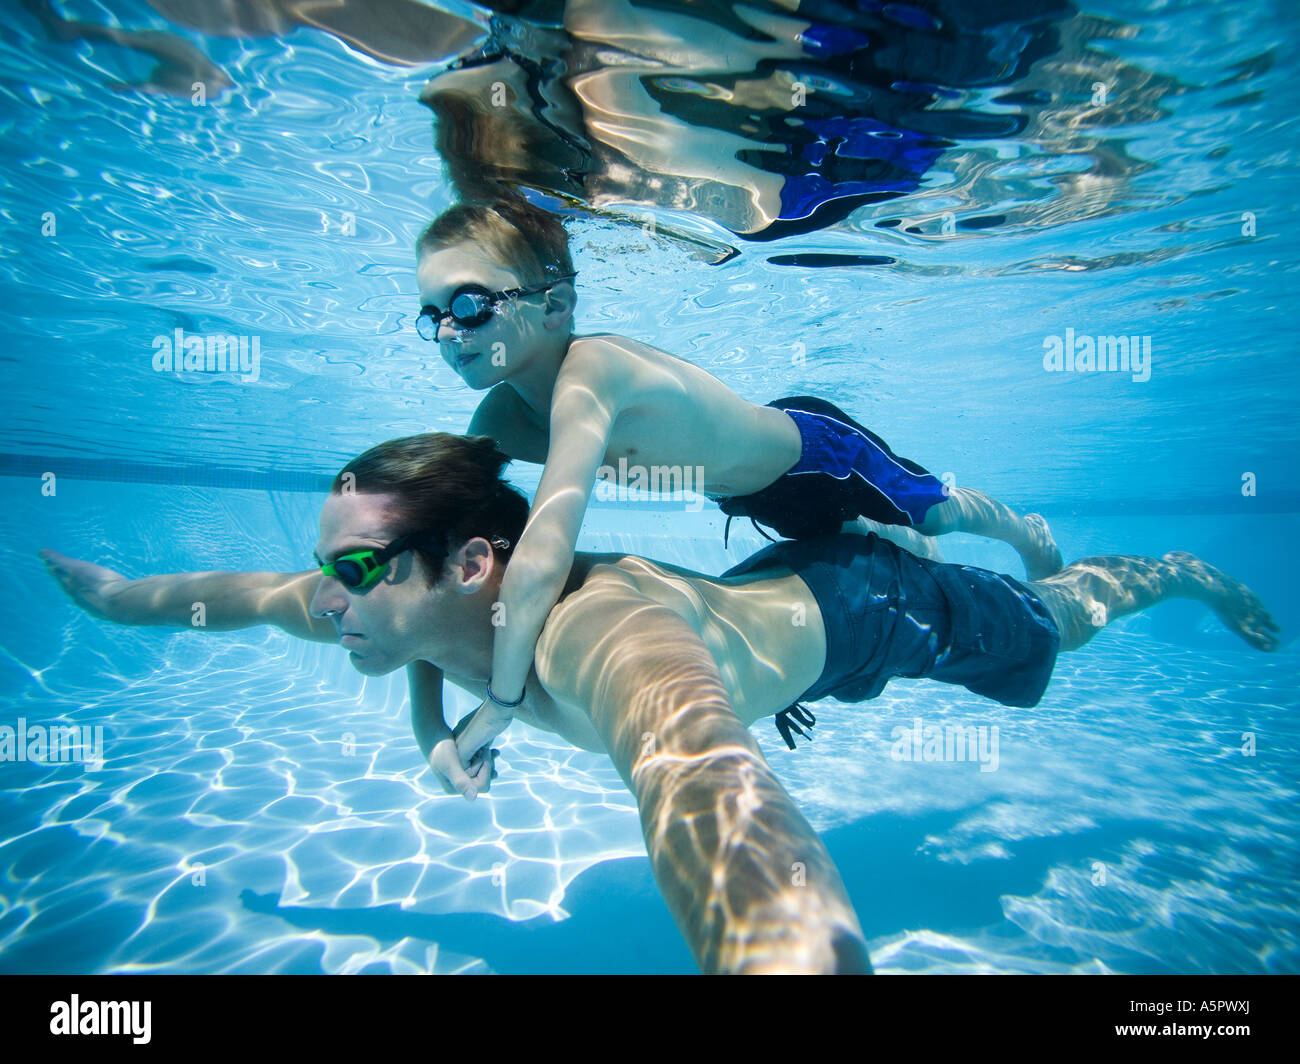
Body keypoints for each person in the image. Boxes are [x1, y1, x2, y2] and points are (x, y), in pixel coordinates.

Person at [41, 433, 1280, 974]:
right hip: (763, 598)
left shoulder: (603, 636)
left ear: (474, 565)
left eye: (358, 568)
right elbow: (226, 595)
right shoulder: (393, 601)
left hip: (871, 611)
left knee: (1057, 623)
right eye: (332, 564)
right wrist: (111, 597)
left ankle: (1180, 571)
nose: (326, 594)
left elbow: (698, 772)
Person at [415, 195, 1066, 762]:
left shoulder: (591, 372)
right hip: (745, 494)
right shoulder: (498, 417)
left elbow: (543, 554)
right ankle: (905, 546)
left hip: (820, 456)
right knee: (872, 547)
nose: (447, 331)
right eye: (431, 314)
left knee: (935, 512)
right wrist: (428, 723)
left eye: (469, 305)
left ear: (552, 304)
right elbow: (432, 542)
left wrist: (500, 705)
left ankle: (1021, 532)